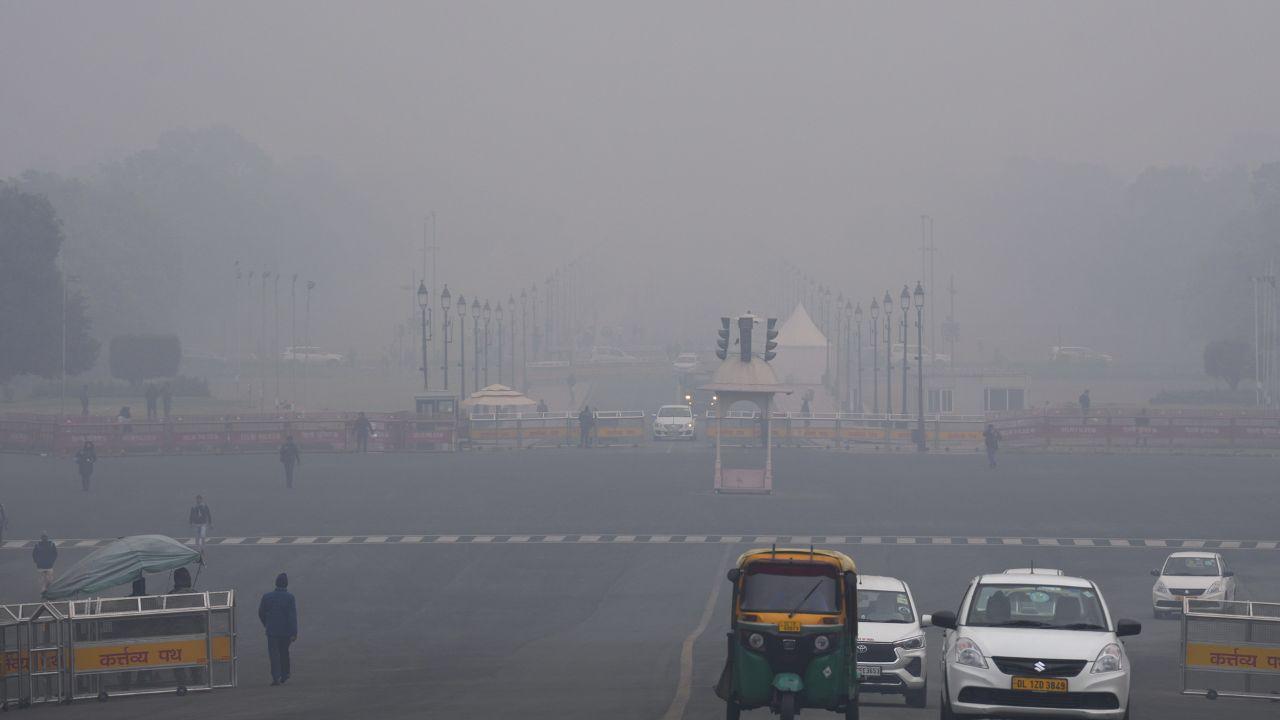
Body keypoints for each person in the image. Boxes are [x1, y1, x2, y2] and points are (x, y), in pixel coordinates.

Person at [258, 573, 298, 686]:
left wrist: (267, 623)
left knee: (274, 654)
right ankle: (285, 674)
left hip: (272, 631)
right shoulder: (290, 598)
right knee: (284, 652)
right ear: (286, 584)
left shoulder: (267, 597)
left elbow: (261, 612)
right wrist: (294, 632)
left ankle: (276, 676)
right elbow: (292, 616)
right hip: (285, 631)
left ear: (276, 583)